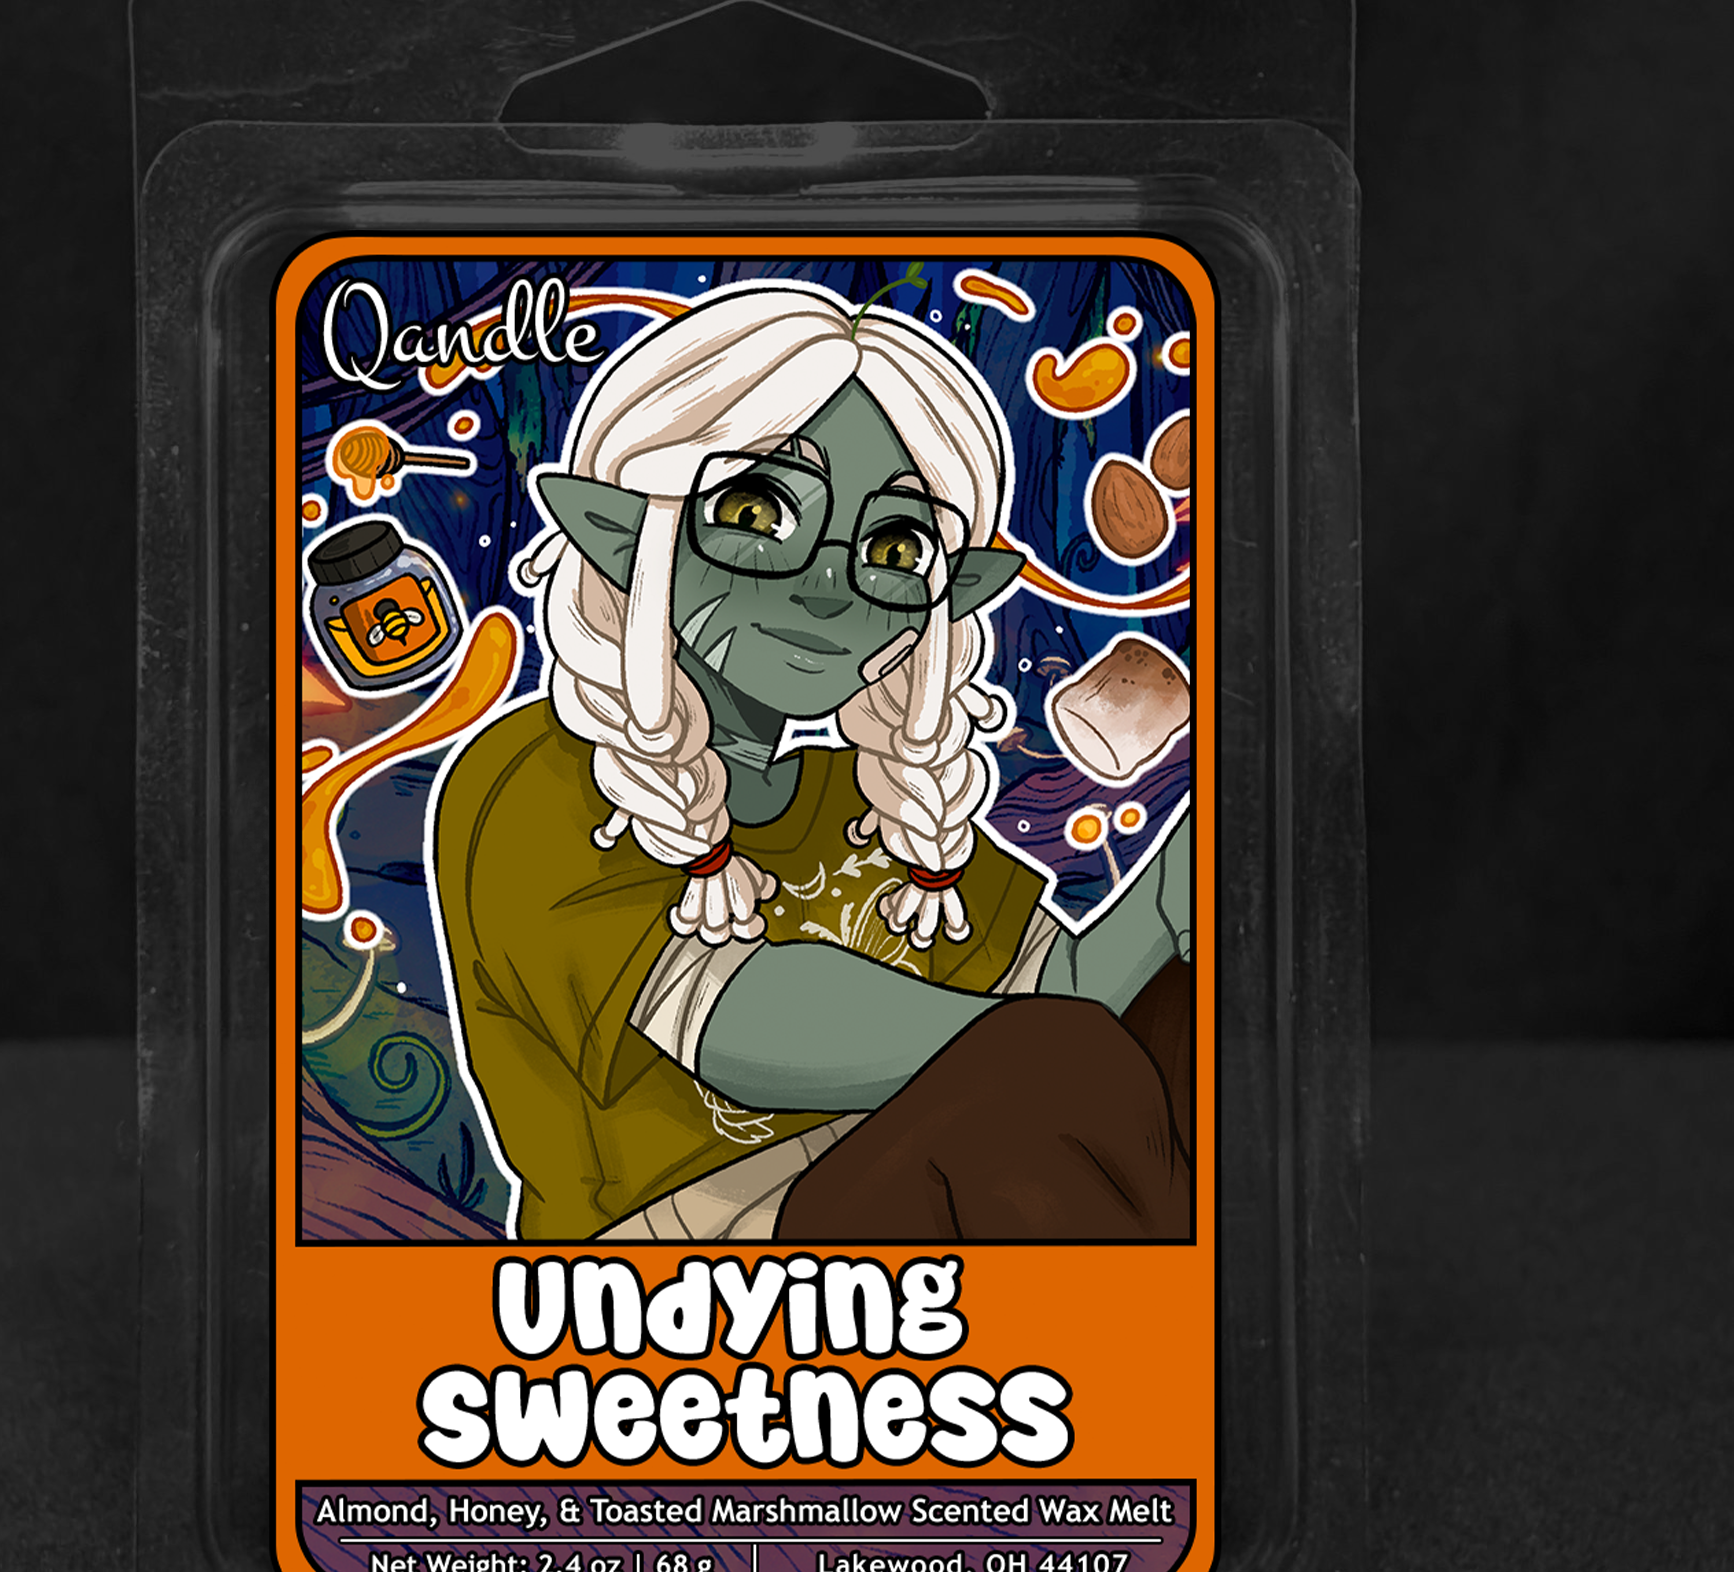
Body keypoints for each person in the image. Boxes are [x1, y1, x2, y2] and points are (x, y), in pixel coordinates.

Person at [429, 280, 1193, 1244]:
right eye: (758, 515)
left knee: (1184, 1016)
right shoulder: (539, 774)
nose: (833, 587)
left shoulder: (867, 798)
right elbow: (739, 1027)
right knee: (1045, 1063)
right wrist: (1026, 1043)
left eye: (896, 547)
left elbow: (1069, 992)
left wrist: (1195, 868)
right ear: (632, 537)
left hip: (942, 1182)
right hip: (681, 1263)